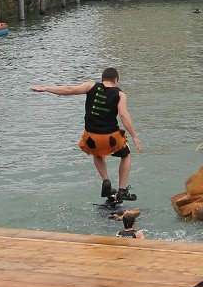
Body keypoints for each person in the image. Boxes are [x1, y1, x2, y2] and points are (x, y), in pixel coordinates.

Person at [32, 67, 142, 205]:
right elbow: (123, 114)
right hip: (110, 138)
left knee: (97, 154)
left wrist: (46, 88)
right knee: (125, 154)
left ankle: (105, 180)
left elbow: (69, 90)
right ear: (116, 80)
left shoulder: (90, 86)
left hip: (92, 139)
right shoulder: (120, 94)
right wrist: (134, 136)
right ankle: (122, 189)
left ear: (102, 79)